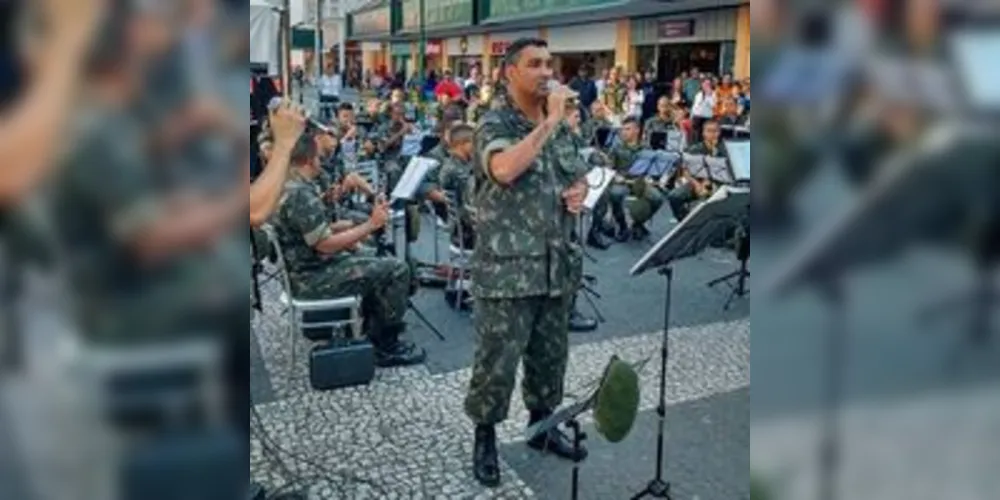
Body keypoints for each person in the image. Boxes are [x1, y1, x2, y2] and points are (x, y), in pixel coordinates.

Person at [464, 38, 589, 488]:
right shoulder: (493, 121)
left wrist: (580, 193)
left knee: (550, 359)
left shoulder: (561, 127)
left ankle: (542, 427)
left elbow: (576, 174)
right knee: (497, 363)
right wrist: (551, 121)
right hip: (508, 269)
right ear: (509, 72)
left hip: (556, 265)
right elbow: (504, 169)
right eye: (534, 64)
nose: (546, 72)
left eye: (549, 63)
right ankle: (485, 439)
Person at [273, 132, 426, 368]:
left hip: (307, 268)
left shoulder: (290, 184)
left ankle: (370, 327)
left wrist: (337, 226)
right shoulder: (300, 194)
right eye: (318, 155)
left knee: (373, 257)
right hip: (310, 278)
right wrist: (371, 224)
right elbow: (325, 245)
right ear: (309, 159)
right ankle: (385, 346)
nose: (321, 160)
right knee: (396, 269)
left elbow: (309, 234)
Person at [606, 117, 666, 241]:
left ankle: (638, 224)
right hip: (622, 181)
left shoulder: (646, 147)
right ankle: (622, 225)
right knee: (615, 194)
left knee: (658, 198)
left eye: (628, 129)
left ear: (637, 130)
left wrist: (651, 177)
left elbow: (652, 168)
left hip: (640, 182)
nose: (623, 132)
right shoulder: (616, 147)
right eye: (623, 129)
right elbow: (609, 168)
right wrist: (615, 176)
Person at [668, 120, 729, 221]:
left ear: (719, 132)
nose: (712, 134)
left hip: (720, 183)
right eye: (709, 131)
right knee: (674, 196)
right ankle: (684, 221)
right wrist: (697, 185)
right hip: (697, 182)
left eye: (715, 131)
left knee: (709, 201)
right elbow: (685, 170)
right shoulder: (694, 149)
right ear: (703, 133)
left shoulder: (725, 149)